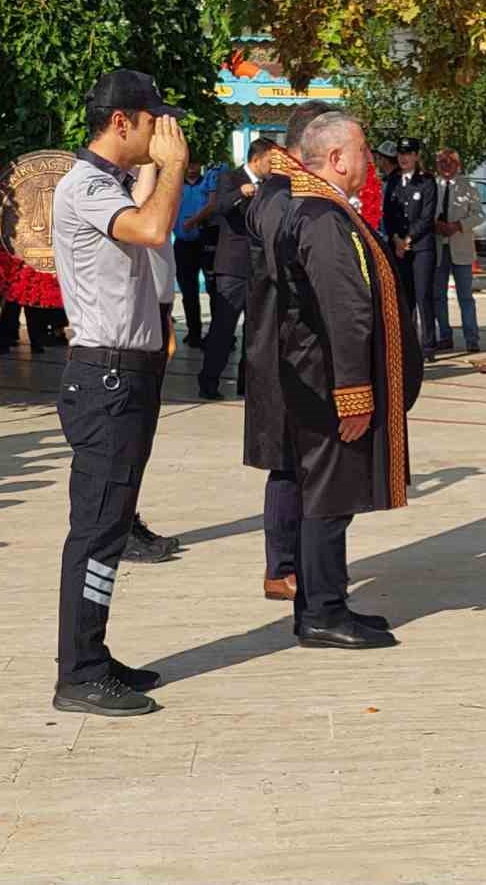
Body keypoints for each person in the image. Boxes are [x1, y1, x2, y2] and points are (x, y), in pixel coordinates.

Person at [48, 68, 189, 717]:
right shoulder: (84, 187)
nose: (161, 132)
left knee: (109, 528)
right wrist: (175, 167)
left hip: (126, 373)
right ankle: (78, 673)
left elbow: (145, 219)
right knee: (98, 530)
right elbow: (152, 231)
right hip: (104, 379)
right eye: (151, 120)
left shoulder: (110, 184)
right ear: (121, 122)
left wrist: (154, 174)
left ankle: (94, 656)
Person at [275, 111, 423, 649]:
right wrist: (355, 392)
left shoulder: (328, 209)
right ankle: (322, 613)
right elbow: (345, 310)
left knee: (329, 498)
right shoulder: (321, 216)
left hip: (320, 377)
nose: (370, 162)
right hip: (327, 381)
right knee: (329, 500)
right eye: (362, 151)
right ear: (337, 158)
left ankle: (323, 603)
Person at [245, 101, 331, 602]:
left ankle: (295, 561)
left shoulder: (292, 191)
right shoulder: (280, 195)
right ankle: (281, 568)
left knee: (300, 462)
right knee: (287, 462)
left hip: (293, 347)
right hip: (282, 349)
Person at [199, 139, 274, 400]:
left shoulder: (271, 185)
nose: (273, 166)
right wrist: (240, 193)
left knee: (255, 330)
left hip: (260, 267)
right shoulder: (230, 178)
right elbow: (217, 208)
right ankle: (209, 381)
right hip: (232, 267)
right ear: (256, 159)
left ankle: (247, 383)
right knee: (223, 328)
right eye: (270, 161)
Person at [382, 137, 439, 359]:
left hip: (421, 247)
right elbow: (388, 212)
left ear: (416, 156)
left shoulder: (426, 182)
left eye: (408, 154)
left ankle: (428, 345)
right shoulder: (393, 180)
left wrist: (408, 239)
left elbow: (427, 217)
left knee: (423, 294)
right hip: (399, 248)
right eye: (400, 154)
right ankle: (408, 343)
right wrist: (396, 238)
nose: (403, 158)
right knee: (405, 298)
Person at [431, 148, 482, 353]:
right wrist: (434, 224)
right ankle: (444, 335)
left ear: (458, 165)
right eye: (442, 161)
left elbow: (478, 215)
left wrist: (458, 225)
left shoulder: (468, 186)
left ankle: (472, 338)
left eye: (450, 162)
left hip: (460, 247)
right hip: (437, 247)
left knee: (465, 296)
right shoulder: (431, 185)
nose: (446, 165)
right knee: (438, 296)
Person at [173, 161, 216, 347]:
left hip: (205, 242)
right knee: (188, 292)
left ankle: (218, 334)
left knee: (213, 289)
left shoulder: (207, 185)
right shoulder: (176, 186)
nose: (192, 168)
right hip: (183, 244)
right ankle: (194, 332)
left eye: (195, 164)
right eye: (188, 164)